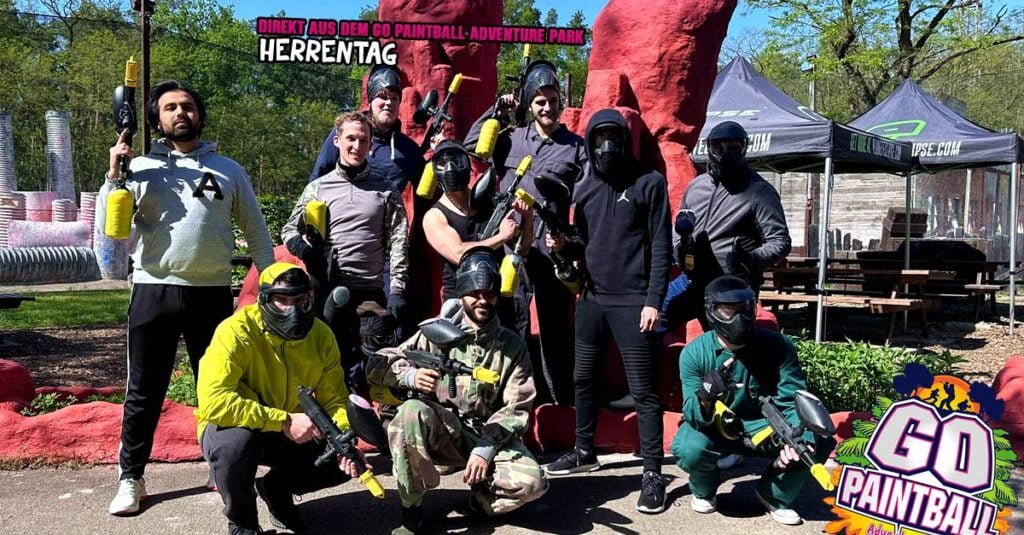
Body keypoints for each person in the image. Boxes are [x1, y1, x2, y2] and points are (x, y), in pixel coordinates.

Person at [100, 79, 276, 516]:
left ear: (199, 114)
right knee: (143, 391)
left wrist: (271, 281)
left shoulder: (229, 169)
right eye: (170, 107)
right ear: (156, 119)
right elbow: (111, 232)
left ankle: (222, 468)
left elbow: (256, 229)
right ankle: (130, 477)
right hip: (153, 290)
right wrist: (114, 177)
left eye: (188, 106)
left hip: (211, 294)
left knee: (218, 387)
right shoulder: (140, 167)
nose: (181, 113)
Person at [544, 109, 672, 514]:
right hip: (591, 299)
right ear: (590, 142)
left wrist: (654, 300)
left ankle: (652, 472)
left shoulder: (649, 182)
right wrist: (563, 245)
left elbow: (661, 245)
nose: (606, 146)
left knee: (643, 391)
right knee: (582, 379)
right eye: (598, 138)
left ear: (624, 140)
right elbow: (585, 242)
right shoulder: (585, 188)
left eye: (612, 137)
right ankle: (584, 451)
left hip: (635, 301)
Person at [367, 250, 547, 535]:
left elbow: (517, 407)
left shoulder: (512, 346)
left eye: (489, 294)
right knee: (410, 412)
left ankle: (480, 501)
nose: (482, 301)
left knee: (532, 484)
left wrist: (485, 449)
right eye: (474, 293)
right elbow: (378, 365)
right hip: (440, 430)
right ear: (462, 294)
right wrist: (410, 376)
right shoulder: (435, 333)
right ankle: (411, 507)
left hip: (486, 434)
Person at [196, 263, 366, 535]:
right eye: (282, 301)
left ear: (311, 298)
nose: (293, 310)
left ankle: (276, 489)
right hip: (241, 425)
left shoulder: (321, 335)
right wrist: (283, 420)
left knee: (341, 460)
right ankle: (243, 523)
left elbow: (335, 399)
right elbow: (214, 403)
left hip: (293, 429)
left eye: (300, 300)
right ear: (264, 299)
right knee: (234, 446)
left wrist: (343, 437)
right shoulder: (235, 331)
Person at [464, 59, 587, 406]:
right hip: (510, 248)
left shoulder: (575, 147)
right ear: (530, 105)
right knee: (509, 322)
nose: (547, 107)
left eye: (552, 100)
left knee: (555, 328)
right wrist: (497, 111)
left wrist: (572, 244)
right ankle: (509, 399)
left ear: (561, 102)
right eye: (539, 101)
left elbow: (588, 197)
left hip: (550, 248)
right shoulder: (511, 138)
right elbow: (473, 144)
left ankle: (559, 402)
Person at [671, 275, 835, 526]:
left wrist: (798, 437)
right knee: (689, 447)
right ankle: (704, 488)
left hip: (765, 426)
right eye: (729, 310)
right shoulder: (694, 353)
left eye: (745, 308)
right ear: (712, 311)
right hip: (717, 427)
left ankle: (773, 493)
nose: (739, 318)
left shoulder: (778, 346)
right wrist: (705, 395)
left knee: (818, 441)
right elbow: (692, 414)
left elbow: (792, 398)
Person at [283, 111, 408, 394]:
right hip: (327, 292)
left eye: (363, 140)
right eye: (350, 138)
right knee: (323, 368)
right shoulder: (318, 188)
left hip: (370, 293)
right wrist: (305, 251)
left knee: (375, 371)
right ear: (337, 141)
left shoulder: (386, 190)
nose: (356, 146)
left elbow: (399, 240)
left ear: (371, 144)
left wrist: (398, 289)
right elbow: (289, 229)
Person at [662, 121, 791, 330]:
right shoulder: (696, 186)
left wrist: (751, 259)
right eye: (719, 147)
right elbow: (681, 223)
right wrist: (680, 247)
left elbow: (780, 241)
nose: (726, 153)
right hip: (692, 278)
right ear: (709, 147)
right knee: (652, 319)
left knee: (728, 342)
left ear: (744, 148)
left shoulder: (759, 191)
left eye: (733, 147)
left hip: (732, 285)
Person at [421, 139, 532, 329]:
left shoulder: (490, 203)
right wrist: (501, 237)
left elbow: (522, 249)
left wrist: (527, 219)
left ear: (468, 165)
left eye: (457, 161)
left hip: (496, 298)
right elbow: (459, 253)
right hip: (462, 303)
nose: (450, 169)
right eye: (443, 163)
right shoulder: (434, 216)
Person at [309, 64, 424, 190]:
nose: (389, 102)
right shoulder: (348, 133)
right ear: (370, 101)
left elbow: (428, 192)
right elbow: (317, 178)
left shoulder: (408, 149)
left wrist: (438, 155)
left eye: (394, 98)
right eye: (382, 97)